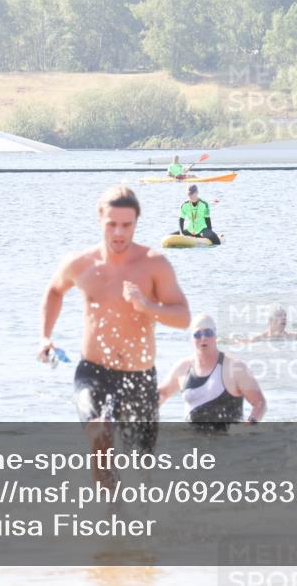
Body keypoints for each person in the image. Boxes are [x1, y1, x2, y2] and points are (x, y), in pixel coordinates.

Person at [39, 186, 191, 482]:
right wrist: (45, 336)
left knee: (143, 468)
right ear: (100, 220)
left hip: (139, 376)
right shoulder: (80, 263)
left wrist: (146, 305)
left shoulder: (154, 264)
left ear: (136, 223)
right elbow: (54, 291)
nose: (119, 233)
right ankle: (111, 515)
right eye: (112, 224)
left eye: (127, 225)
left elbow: (183, 317)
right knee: (99, 432)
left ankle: (138, 519)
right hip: (93, 372)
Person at [158, 314, 266, 429]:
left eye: (208, 333)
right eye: (197, 335)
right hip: (192, 442)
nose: (203, 338)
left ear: (215, 336)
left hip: (229, 441)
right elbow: (162, 393)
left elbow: (259, 403)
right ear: (192, 339)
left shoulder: (235, 368)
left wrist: (249, 427)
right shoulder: (182, 368)